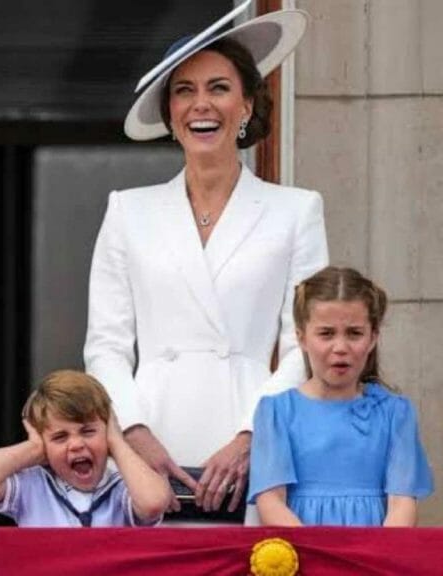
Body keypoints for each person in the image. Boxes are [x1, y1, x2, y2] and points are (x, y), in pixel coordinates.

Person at [84, 2, 329, 521]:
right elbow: (104, 346)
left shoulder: (296, 210)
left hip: (253, 434)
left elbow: (304, 344)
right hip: (150, 441)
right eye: (185, 91)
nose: (202, 105)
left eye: (219, 88)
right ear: (171, 114)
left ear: (246, 106)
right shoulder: (128, 210)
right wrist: (132, 432)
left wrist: (250, 437)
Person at [248, 266, 434, 526]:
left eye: (354, 333)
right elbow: (271, 502)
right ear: (302, 338)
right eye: (326, 334)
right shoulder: (276, 412)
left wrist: (374, 559)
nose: (340, 348)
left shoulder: (396, 413)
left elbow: (401, 504)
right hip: (302, 555)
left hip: (372, 558)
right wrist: (315, 558)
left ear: (372, 338)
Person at [0, 370, 169, 527]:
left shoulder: (123, 488)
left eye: (88, 432)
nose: (76, 444)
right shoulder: (33, 487)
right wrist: (33, 450)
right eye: (60, 437)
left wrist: (117, 442)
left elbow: (153, 503)